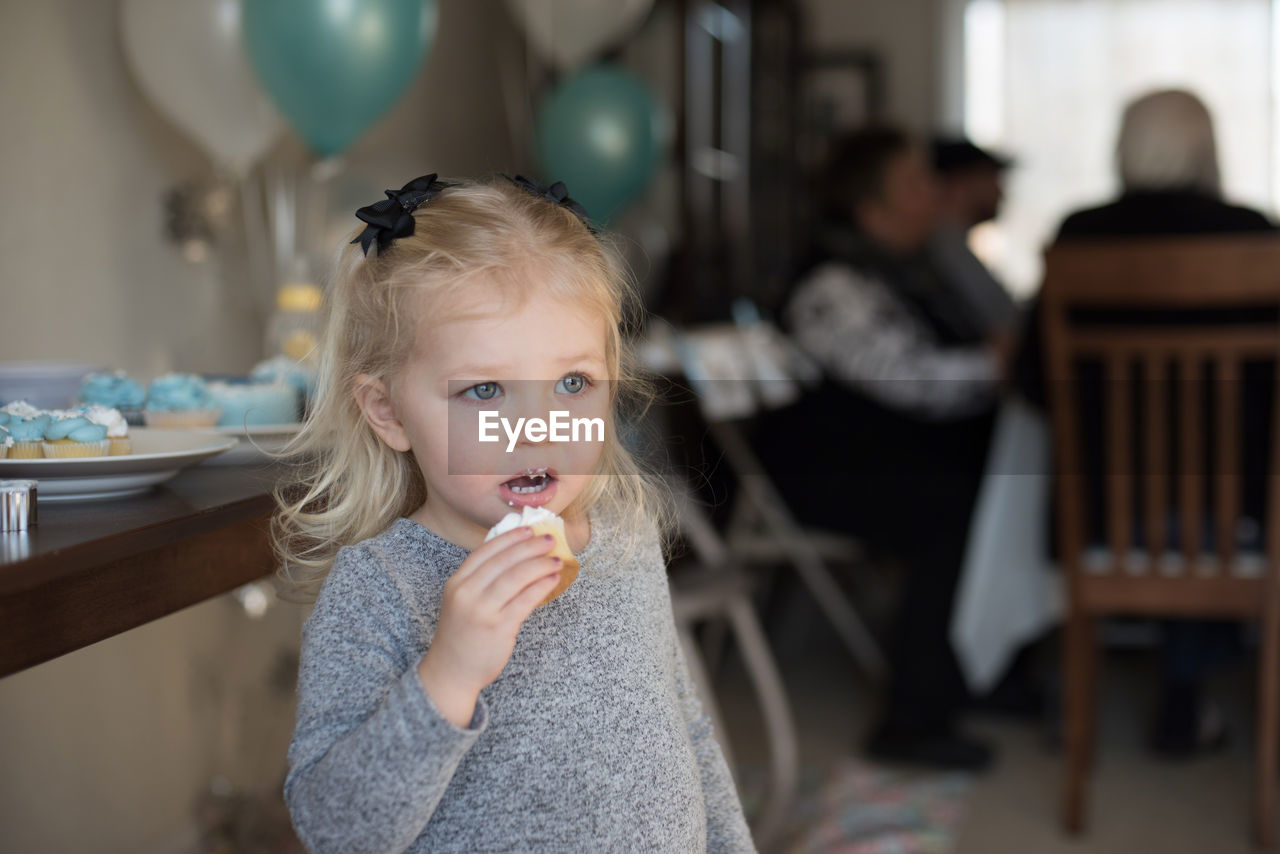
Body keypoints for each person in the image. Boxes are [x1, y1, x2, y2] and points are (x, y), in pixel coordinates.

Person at [275, 174, 756, 851]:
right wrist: (449, 673)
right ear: (388, 411)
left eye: (572, 383)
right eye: (485, 390)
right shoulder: (379, 588)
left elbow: (687, 728)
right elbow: (336, 829)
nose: (538, 429)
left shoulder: (623, 537)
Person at [1016, 88, 1277, 758]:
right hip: (1238, 515)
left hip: (1102, 509)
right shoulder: (1257, 236)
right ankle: (1185, 698)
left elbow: (1031, 383)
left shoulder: (1078, 235)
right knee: (1203, 493)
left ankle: (1070, 692)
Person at [756, 127, 1007, 770]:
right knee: (955, 504)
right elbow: (914, 381)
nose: (937, 194)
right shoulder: (834, 285)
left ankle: (987, 672)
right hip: (823, 473)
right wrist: (995, 368)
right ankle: (911, 718)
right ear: (873, 211)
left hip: (880, 454)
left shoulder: (909, 268)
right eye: (919, 183)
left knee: (999, 481)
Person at [927, 136, 1020, 338]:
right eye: (992, 178)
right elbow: (1003, 322)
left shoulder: (949, 244)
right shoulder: (943, 248)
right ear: (960, 183)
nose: (1001, 193)